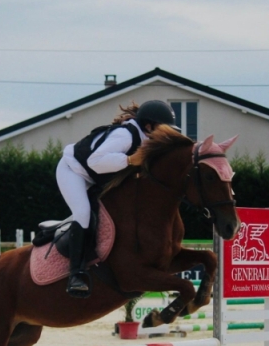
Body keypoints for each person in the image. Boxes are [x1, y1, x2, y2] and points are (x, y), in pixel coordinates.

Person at [56, 100, 180, 298]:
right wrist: (130, 160)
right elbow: (94, 161)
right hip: (74, 171)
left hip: (97, 176)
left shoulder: (146, 139)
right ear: (148, 126)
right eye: (162, 128)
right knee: (83, 213)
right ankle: (76, 275)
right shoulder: (125, 135)